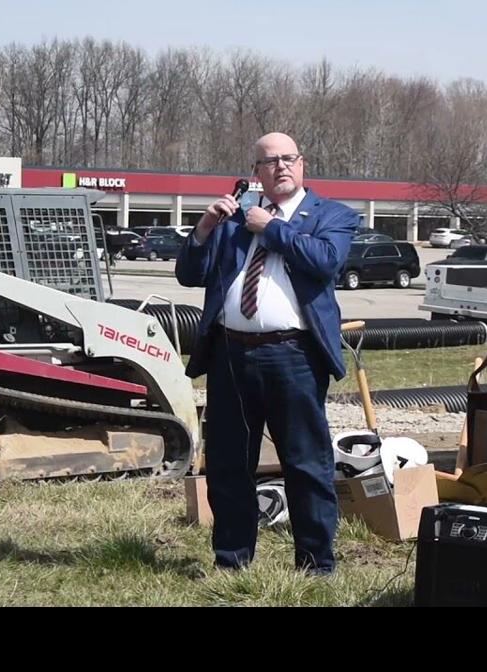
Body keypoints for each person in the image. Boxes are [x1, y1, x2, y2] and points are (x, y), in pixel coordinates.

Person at [175, 132, 357, 574]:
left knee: (305, 463)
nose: (280, 167)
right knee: (229, 463)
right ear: (256, 172)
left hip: (293, 356)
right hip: (230, 355)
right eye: (269, 161)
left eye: (288, 159)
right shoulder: (234, 220)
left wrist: (272, 228)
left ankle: (316, 566)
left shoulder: (332, 214)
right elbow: (188, 274)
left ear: (302, 164)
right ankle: (232, 562)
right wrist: (205, 228)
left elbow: (325, 261)